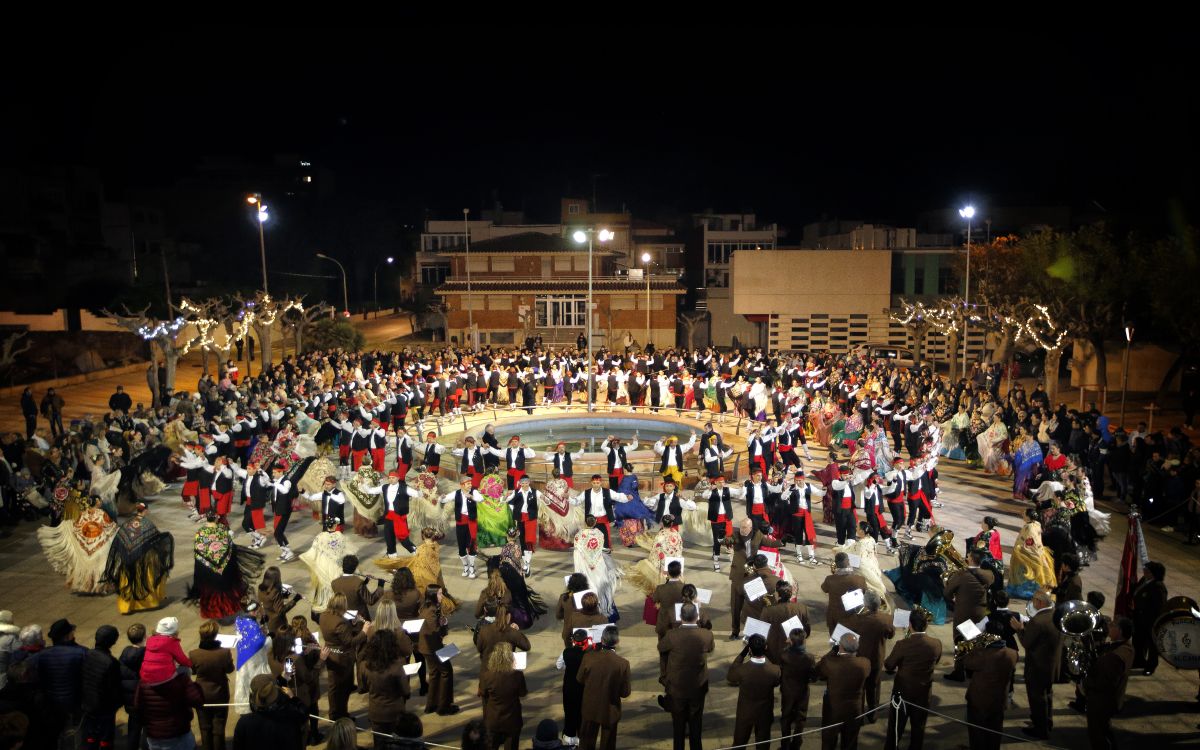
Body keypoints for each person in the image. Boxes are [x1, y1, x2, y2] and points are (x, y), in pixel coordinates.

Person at [658, 602, 714, 750]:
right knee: (696, 725)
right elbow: (710, 648)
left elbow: (661, 647)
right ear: (696, 617)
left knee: (678, 727)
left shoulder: (672, 635)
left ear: (680, 617)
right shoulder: (706, 635)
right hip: (698, 686)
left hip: (677, 688)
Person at [187, 512, 266, 619]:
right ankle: (228, 608)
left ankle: (213, 611)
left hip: (207, 567)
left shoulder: (200, 532)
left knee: (211, 588)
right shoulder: (223, 529)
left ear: (206, 518)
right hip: (225, 566)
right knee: (227, 587)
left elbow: (198, 551)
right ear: (216, 518)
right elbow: (230, 548)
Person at [883, 609, 941, 750]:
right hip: (923, 692)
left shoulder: (903, 644)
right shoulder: (936, 644)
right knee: (918, 728)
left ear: (910, 624)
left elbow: (889, 665)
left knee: (896, 727)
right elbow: (936, 661)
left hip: (902, 692)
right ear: (926, 625)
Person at [102, 503, 175, 613]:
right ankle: (147, 604)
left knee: (128, 582)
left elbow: (118, 540)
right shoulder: (148, 524)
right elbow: (156, 542)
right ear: (145, 511)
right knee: (145, 580)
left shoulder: (127, 524)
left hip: (127, 561)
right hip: (143, 561)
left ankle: (126, 606)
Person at [37, 496, 117, 593]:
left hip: (85, 546)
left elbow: (77, 528)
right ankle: (97, 586)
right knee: (100, 564)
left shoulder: (83, 514)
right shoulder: (102, 514)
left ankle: (87, 585)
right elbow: (111, 528)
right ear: (96, 502)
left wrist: (67, 526)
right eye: (100, 500)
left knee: (85, 566)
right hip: (98, 546)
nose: (101, 501)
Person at [961, 620, 1019, 750]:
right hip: (998, 700)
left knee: (977, 734)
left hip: (979, 700)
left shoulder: (982, 654)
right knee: (995, 732)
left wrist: (974, 644)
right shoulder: (1012, 654)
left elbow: (966, 661)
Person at [1011, 588, 1061, 740]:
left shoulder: (1037, 621)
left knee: (1037, 698)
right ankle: (1047, 722)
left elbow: (1027, 642)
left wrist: (1019, 629)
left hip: (1037, 667)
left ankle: (1040, 729)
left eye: (1033, 600)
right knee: (1048, 694)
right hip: (1051, 664)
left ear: (1039, 602)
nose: (1032, 602)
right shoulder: (1055, 616)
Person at [377, 527, 459, 615]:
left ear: (423, 536)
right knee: (436, 592)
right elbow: (433, 562)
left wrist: (403, 563)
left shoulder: (422, 548)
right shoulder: (435, 545)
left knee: (424, 592)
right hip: (435, 572)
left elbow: (418, 561)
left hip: (424, 574)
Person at [134, 651, 205, 750]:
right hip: (178, 734)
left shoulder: (143, 683)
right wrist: (194, 685)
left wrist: (149, 725)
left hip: (154, 736)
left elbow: (138, 708)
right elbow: (198, 701)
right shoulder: (181, 680)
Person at [1083, 616, 1135, 749]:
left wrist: (1085, 683)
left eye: (1112, 626)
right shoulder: (1126, 647)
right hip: (1109, 700)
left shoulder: (1115, 657)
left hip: (1101, 702)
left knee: (1096, 734)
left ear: (1120, 631)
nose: (1109, 628)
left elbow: (1104, 683)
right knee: (1104, 729)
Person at [841, 589, 894, 719]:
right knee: (874, 685)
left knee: (860, 686)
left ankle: (858, 713)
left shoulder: (858, 619)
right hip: (877, 656)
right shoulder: (886, 619)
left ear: (866, 604)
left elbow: (848, 634)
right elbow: (891, 634)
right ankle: (872, 712)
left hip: (860, 657)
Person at [943, 549, 993, 682]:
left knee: (960, 641)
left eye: (968, 556)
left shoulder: (961, 575)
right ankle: (972, 669)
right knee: (974, 640)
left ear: (971, 559)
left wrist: (955, 598)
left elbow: (947, 593)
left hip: (963, 613)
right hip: (980, 613)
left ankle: (959, 672)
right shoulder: (989, 574)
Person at [577, 626, 631, 750]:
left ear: (602, 640)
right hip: (610, 710)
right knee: (608, 744)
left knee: (586, 743)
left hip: (590, 707)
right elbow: (625, 692)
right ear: (617, 642)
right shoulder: (623, 664)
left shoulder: (588, 657)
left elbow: (580, 679)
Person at [816, 632, 871, 750]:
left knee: (828, 742)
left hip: (833, 710)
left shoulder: (830, 663)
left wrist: (832, 652)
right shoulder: (865, 663)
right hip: (854, 710)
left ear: (841, 646)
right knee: (850, 743)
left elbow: (819, 671)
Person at [726, 633, 781, 750]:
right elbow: (776, 681)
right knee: (763, 745)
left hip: (745, 713)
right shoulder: (774, 670)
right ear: (765, 647)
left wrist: (743, 653)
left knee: (739, 743)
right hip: (764, 713)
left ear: (749, 649)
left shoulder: (742, 670)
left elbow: (730, 676)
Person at [361, 626, 414, 747]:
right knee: (396, 744)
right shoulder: (398, 665)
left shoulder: (364, 665)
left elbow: (364, 687)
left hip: (376, 712)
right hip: (395, 713)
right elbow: (405, 691)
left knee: (379, 744)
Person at [231, 673, 310, 749]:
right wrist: (293, 698)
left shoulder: (244, 723)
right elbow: (304, 714)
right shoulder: (289, 720)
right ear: (276, 696)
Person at [191, 620, 235, 750]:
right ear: (215, 635)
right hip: (220, 693)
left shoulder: (194, 654)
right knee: (219, 727)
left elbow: (193, 671)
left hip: (201, 693)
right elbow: (230, 669)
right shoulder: (224, 652)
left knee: (204, 728)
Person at [320, 594, 364, 721]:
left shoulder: (324, 616)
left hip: (330, 655)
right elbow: (350, 641)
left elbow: (339, 634)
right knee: (343, 687)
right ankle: (340, 714)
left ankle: (335, 713)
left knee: (334, 687)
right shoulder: (340, 622)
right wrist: (364, 632)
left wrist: (352, 623)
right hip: (342, 658)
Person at [80, 624, 124, 750]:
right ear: (113, 642)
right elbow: (113, 688)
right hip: (104, 708)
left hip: (88, 704)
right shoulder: (111, 662)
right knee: (106, 738)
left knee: (90, 735)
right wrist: (117, 704)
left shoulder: (86, 654)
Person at [418, 584, 460, 716]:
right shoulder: (431, 611)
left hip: (427, 647)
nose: (442, 596)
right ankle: (444, 706)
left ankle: (432, 704)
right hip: (433, 648)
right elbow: (435, 630)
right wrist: (443, 625)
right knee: (446, 672)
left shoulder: (427, 607)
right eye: (439, 594)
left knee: (434, 673)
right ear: (433, 595)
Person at [478, 641, 528, 750]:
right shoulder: (517, 674)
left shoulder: (487, 675)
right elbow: (523, 693)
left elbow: (482, 692)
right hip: (512, 719)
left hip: (493, 719)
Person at [572, 516, 621, 621]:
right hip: (599, 564)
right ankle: (605, 613)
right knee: (601, 587)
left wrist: (578, 570)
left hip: (585, 565)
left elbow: (577, 553)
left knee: (587, 587)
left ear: (585, 523)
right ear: (595, 523)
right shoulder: (600, 533)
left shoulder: (579, 535)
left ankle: (587, 616)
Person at [777, 628, 816, 750]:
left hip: (788, 691)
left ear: (791, 641)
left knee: (786, 717)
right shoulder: (809, 658)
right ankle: (797, 742)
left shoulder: (784, 655)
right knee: (801, 718)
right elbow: (813, 677)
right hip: (802, 692)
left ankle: (785, 744)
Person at [1006, 508, 1057, 599]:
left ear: (1028, 517)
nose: (1023, 515)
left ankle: (1026, 591)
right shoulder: (1037, 524)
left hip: (1028, 554)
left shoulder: (1029, 527)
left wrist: (1020, 549)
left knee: (1027, 573)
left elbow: (1030, 542)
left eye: (1024, 514)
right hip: (1039, 551)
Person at [1131, 560, 1168, 675]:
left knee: (1151, 644)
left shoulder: (1158, 587)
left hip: (1150, 620)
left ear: (1153, 573)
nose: (1144, 571)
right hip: (1139, 618)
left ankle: (1150, 666)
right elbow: (1137, 591)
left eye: (1147, 570)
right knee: (1138, 641)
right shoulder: (1144, 580)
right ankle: (1138, 660)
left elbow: (1158, 606)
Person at [820, 552, 867, 633]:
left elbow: (824, 589)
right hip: (852, 618)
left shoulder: (829, 579)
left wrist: (834, 574)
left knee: (836, 643)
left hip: (835, 618)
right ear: (848, 562)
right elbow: (865, 592)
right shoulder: (859, 579)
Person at [332, 553, 385, 620]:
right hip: (359, 618)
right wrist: (380, 586)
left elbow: (349, 589)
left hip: (343, 616)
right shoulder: (358, 583)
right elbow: (371, 600)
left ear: (343, 566)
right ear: (355, 568)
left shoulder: (334, 583)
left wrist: (365, 582)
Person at [120, 623, 148, 750]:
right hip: (144, 700)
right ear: (145, 637)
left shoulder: (125, 653)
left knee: (133, 731)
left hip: (130, 702)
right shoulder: (147, 654)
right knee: (148, 731)